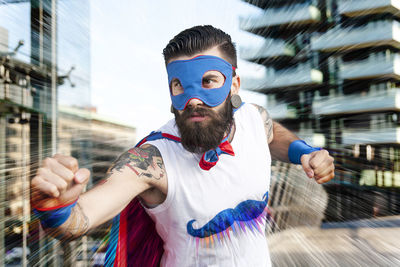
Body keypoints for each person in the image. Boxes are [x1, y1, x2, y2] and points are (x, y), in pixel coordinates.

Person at [31, 25, 335, 266]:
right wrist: (56, 207)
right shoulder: (151, 160)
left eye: (209, 82)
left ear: (234, 85)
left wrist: (304, 152)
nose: (193, 100)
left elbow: (272, 134)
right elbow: (77, 221)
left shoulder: (253, 118)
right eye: (180, 85)